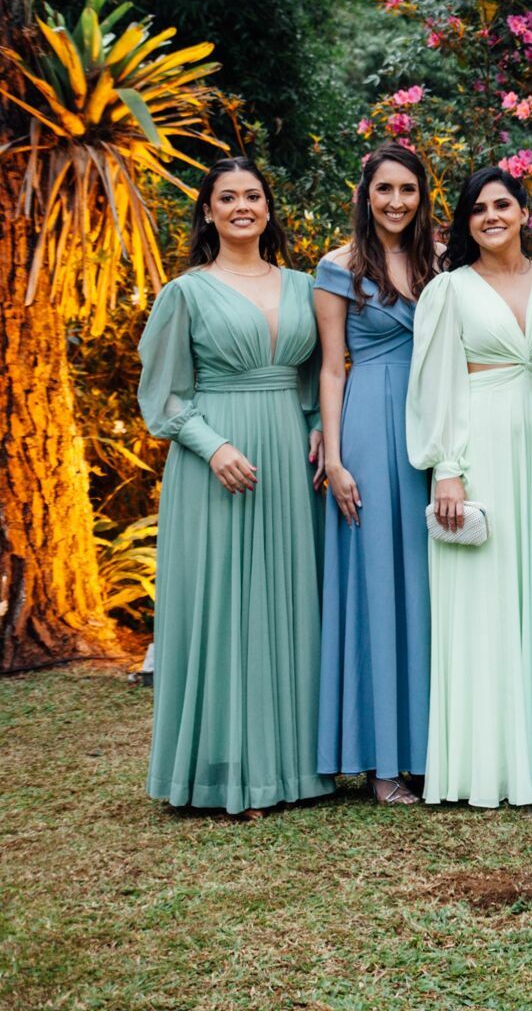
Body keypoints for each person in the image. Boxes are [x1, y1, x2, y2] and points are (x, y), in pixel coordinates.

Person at [139, 157, 332, 815]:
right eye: (228, 197)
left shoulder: (306, 286)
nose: (242, 206)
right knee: (222, 608)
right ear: (209, 212)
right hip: (216, 466)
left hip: (290, 461)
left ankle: (294, 770)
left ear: (268, 208)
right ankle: (224, 772)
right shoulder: (186, 293)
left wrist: (318, 427)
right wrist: (212, 445)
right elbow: (163, 395)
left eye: (253, 195)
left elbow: (319, 375)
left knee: (289, 604)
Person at [406, 166, 532, 808]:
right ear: (466, 222)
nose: (492, 216)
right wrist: (447, 468)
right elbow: (436, 383)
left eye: (502, 205)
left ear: (524, 212)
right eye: (478, 209)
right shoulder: (449, 289)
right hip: (480, 448)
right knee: (483, 600)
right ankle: (482, 763)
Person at [315, 142, 437, 805]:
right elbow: (332, 367)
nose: (395, 201)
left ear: (422, 197)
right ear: (365, 195)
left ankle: (427, 750)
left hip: (430, 425)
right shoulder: (339, 268)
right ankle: (382, 761)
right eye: (384, 189)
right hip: (367, 421)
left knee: (425, 584)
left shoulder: (439, 261)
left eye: (407, 190)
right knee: (377, 584)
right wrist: (335, 458)